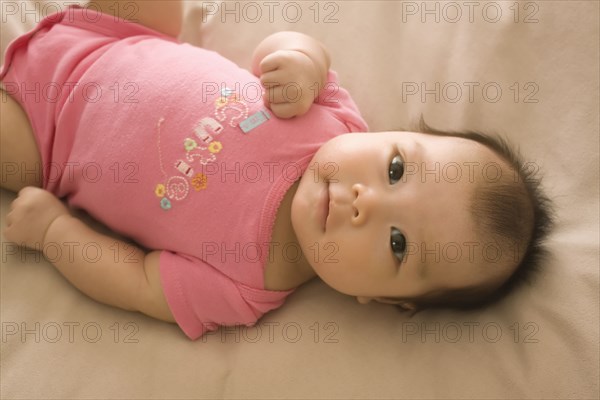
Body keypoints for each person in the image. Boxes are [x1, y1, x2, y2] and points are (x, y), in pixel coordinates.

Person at [0, 1, 552, 340]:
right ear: (392, 137)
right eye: (397, 168)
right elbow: (287, 51)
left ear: (383, 300)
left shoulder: (246, 287)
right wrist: (303, 61)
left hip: (45, 144)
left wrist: (54, 233)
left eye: (400, 243)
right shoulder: (336, 122)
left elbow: (138, 282)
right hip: (129, 33)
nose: (368, 202)